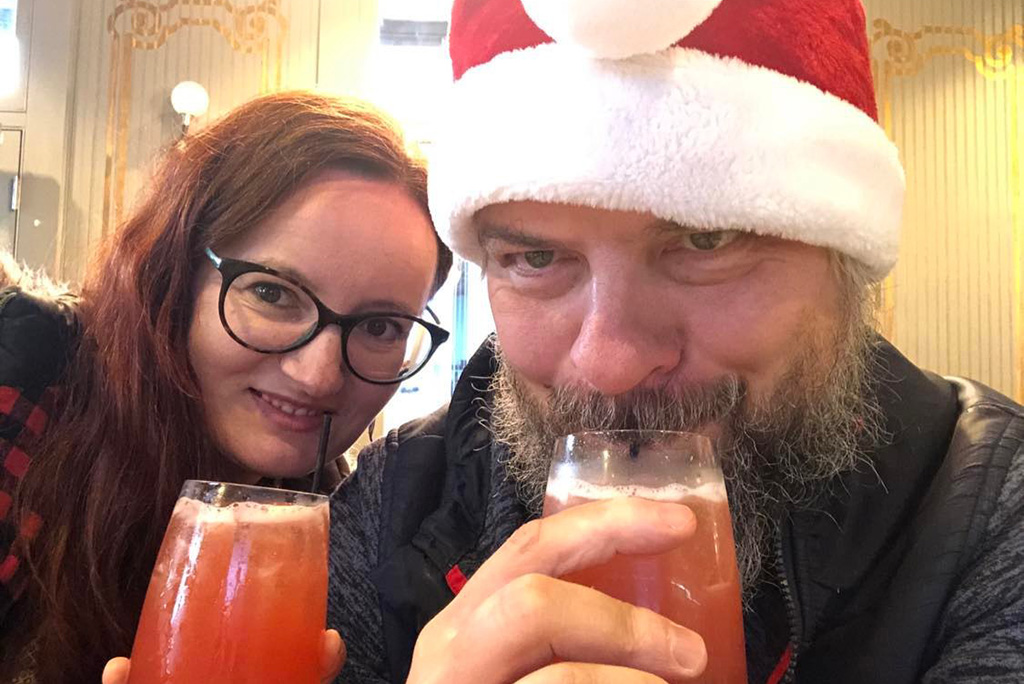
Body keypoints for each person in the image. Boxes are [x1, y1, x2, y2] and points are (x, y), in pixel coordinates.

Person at [327, 0, 1024, 682]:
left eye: (706, 241)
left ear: (846, 263)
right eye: (535, 260)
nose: (609, 366)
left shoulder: (988, 516)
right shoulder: (394, 503)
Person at [0, 91, 452, 684]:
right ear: (174, 273)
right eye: (271, 293)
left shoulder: (338, 523)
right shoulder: (31, 380)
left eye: (381, 327)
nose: (318, 376)